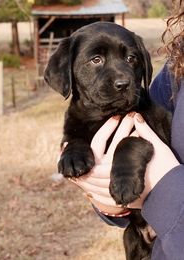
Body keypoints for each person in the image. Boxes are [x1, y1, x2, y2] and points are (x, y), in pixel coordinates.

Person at [69, 1, 184, 259]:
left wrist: (163, 187)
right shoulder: (178, 68)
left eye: (131, 59)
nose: (122, 77)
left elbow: (148, 142)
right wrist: (105, 200)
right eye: (97, 59)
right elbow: (118, 197)